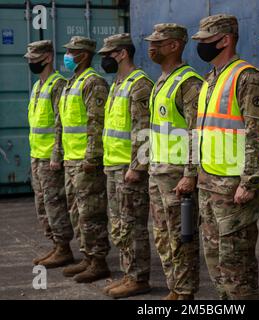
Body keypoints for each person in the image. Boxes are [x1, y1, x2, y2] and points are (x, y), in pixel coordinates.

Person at [192, 14, 259, 300]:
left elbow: (256, 134)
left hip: (233, 188)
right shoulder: (210, 79)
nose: (200, 46)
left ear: (224, 40)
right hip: (208, 184)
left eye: (205, 40)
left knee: (237, 267)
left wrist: (249, 182)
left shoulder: (247, 77)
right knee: (216, 264)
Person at [144, 23, 203, 300]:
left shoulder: (189, 82)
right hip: (158, 171)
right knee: (162, 235)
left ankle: (185, 291)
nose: (151, 47)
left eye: (158, 42)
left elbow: (196, 133)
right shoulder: (161, 80)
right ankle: (174, 287)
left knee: (182, 237)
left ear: (175, 45)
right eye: (150, 42)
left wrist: (190, 174)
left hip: (177, 174)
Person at [98, 33, 153, 298]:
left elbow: (143, 131)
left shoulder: (139, 84)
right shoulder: (117, 83)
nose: (104, 59)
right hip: (113, 166)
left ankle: (139, 277)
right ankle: (128, 274)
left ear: (122, 53)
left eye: (108, 54)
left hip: (128, 170)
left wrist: (137, 167)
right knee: (120, 224)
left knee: (133, 225)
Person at [59, 36, 111, 283]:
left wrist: (92, 157)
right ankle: (87, 257)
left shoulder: (93, 83)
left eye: (72, 52)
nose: (67, 55)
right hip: (72, 159)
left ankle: (98, 261)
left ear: (84, 55)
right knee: (77, 213)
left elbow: (96, 123)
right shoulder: (73, 83)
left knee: (91, 213)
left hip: (85, 161)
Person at [25, 40, 74, 268]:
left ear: (48, 58)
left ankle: (63, 248)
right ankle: (55, 244)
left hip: (50, 159)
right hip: (37, 155)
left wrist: (57, 154)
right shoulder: (38, 86)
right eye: (29, 59)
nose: (31, 63)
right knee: (42, 205)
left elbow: (60, 123)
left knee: (55, 204)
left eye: (35, 59)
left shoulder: (58, 85)